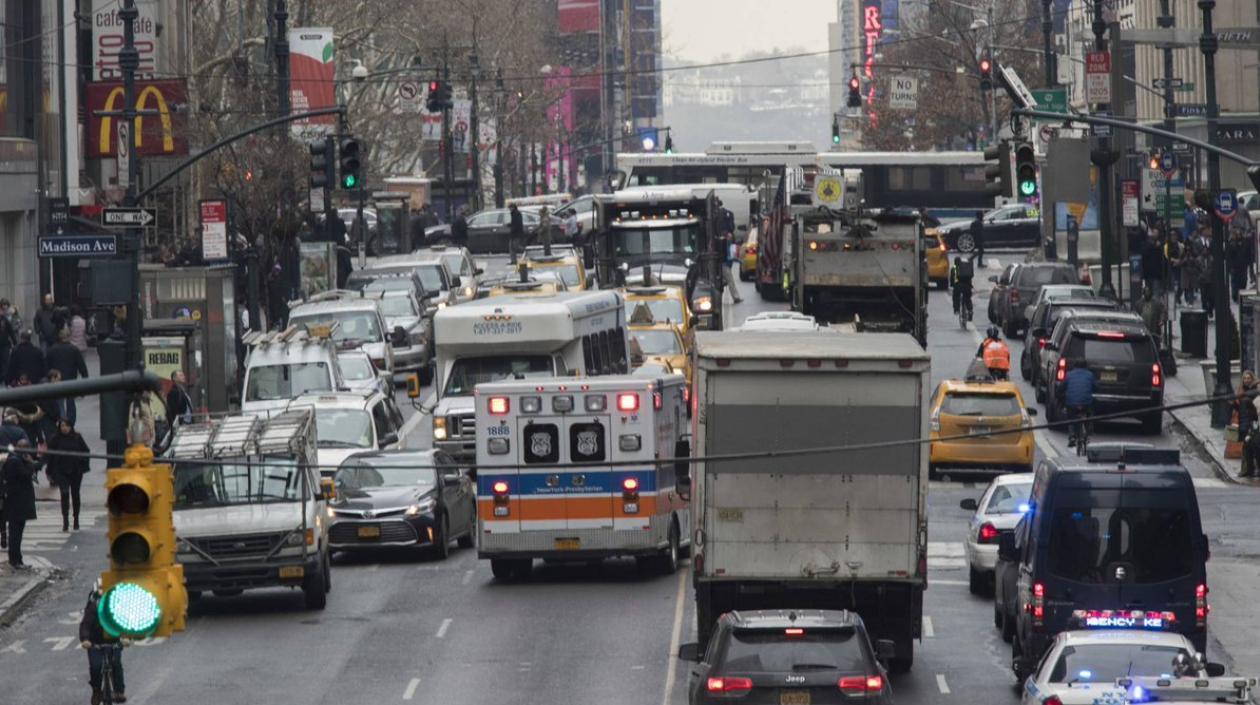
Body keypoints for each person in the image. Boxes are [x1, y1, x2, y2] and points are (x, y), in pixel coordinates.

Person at [79, 579, 126, 704]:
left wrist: (125, 637)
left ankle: (119, 691)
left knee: (116, 663)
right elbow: (85, 625)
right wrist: (85, 639)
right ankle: (96, 691)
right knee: (95, 666)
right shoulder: (92, 607)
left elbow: (125, 623)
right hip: (95, 644)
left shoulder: (117, 606)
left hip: (113, 642)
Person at [46, 418, 89, 531]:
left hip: (75, 470)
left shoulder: (77, 437)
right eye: (62, 426)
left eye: (66, 426)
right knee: (64, 493)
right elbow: (50, 455)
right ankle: (65, 520)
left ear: (70, 427)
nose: (64, 428)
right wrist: (49, 470)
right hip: (61, 470)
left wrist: (82, 463)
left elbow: (86, 451)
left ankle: (76, 519)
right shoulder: (55, 439)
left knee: (75, 494)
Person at [3, 438, 39, 569]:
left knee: (17, 532)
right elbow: (24, 474)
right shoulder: (15, 461)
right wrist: (31, 464)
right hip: (17, 503)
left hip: (18, 503)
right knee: (15, 533)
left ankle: (18, 559)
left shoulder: (16, 460)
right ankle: (15, 560)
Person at [46, 328, 87, 425]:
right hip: (70, 379)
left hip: (56, 379)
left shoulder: (52, 350)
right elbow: (81, 366)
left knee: (59, 401)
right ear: (68, 337)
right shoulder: (74, 349)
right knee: (70, 401)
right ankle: (70, 421)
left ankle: (62, 419)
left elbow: (47, 365)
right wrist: (85, 380)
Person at [1058, 358, 1097, 448]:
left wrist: (1060, 396)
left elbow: (1061, 388)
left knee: (1071, 418)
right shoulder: (1090, 375)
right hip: (1086, 403)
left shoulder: (1069, 375)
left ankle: (1071, 436)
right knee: (1090, 410)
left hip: (1072, 404)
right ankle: (1089, 428)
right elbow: (1096, 387)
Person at [1235, 371, 1260, 478]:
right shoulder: (1243, 392)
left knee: (1250, 447)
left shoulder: (1250, 396)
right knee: (1248, 447)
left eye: (1248, 378)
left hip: (1251, 425)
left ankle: (1249, 469)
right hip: (1248, 424)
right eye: (1244, 378)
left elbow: (1251, 413)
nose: (1246, 380)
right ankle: (1248, 469)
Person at [1226, 222, 1253, 302]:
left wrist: (1249, 265)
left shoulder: (1245, 243)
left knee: (1243, 282)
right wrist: (1230, 267)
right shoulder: (1231, 244)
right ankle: (1235, 296)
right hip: (1235, 267)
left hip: (1243, 266)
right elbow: (1229, 257)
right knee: (1235, 283)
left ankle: (1240, 296)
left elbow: (1249, 255)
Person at [1138, 284, 1168, 351]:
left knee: (1155, 345)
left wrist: (1161, 320)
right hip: (1143, 329)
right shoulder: (1139, 303)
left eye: (1148, 292)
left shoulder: (1157, 303)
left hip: (1154, 330)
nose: (1147, 293)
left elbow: (1163, 312)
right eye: (1145, 292)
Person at [1141, 230, 1167, 296]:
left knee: (1156, 291)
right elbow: (1144, 253)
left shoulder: (1160, 244)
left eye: (1157, 233)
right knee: (1148, 290)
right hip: (1148, 272)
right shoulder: (1146, 244)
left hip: (1156, 273)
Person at [1165, 231, 1188, 304]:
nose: (1174, 237)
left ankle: (1178, 296)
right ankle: (1174, 299)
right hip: (1171, 267)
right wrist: (1174, 260)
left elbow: (1185, 255)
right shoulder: (1166, 246)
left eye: (1175, 236)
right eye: (1172, 236)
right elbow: (1166, 256)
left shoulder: (1181, 245)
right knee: (1173, 283)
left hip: (1179, 266)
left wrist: (1180, 261)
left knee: (1181, 284)